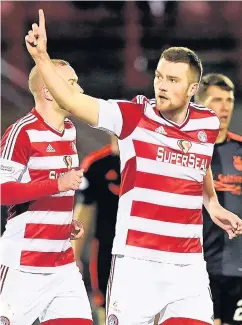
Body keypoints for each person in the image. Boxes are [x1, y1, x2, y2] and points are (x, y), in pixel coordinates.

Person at [24, 10, 242, 325]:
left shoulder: (206, 122)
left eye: (173, 80)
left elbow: (201, 160)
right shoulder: (132, 116)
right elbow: (73, 101)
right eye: (159, 77)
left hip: (188, 266)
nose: (162, 86)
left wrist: (212, 203)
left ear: (193, 89)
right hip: (138, 264)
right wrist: (43, 58)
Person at [0, 59, 92, 325]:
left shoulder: (70, 131)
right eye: (72, 84)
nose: (81, 91)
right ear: (49, 91)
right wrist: (58, 184)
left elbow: (48, 196)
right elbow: (3, 191)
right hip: (23, 267)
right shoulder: (22, 132)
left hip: (62, 266)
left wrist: (64, 223)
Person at [195, 73, 242, 325]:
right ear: (200, 104)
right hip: (198, 269)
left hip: (239, 268)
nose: (225, 107)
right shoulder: (187, 151)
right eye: (216, 99)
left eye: (229, 99)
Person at [73, 135, 120, 324]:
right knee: (105, 312)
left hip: (141, 252)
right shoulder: (96, 164)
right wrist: (73, 257)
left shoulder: (149, 162)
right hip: (105, 253)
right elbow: (83, 213)